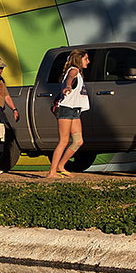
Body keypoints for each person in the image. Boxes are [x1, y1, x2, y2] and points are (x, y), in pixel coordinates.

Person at [46, 49, 90, 179]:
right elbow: (70, 78)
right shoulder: (74, 70)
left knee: (78, 141)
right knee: (64, 141)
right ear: (79, 59)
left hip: (74, 109)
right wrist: (68, 86)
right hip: (66, 109)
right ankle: (52, 172)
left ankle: (61, 165)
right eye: (86, 58)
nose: (88, 61)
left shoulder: (79, 73)